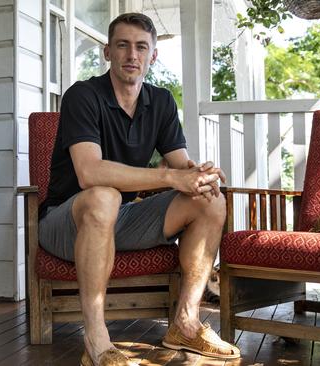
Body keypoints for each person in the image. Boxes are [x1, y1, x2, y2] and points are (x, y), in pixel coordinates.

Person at [38, 12, 240, 366]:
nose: (132, 55)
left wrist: (198, 174)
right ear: (107, 52)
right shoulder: (82, 96)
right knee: (104, 195)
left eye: (141, 47)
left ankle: (186, 323)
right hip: (66, 222)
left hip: (123, 219)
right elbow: (89, 173)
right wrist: (168, 179)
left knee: (210, 201)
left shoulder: (160, 101)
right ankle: (96, 337)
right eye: (123, 45)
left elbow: (179, 164)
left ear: (153, 56)